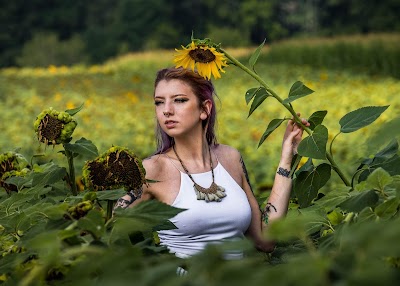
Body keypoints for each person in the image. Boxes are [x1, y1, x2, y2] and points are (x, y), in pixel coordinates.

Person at [114, 67, 309, 258]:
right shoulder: (152, 169)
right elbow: (113, 230)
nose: (166, 111)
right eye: (159, 102)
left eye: (179, 100)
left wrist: (286, 157)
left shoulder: (230, 159)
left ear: (205, 109)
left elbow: (265, 240)